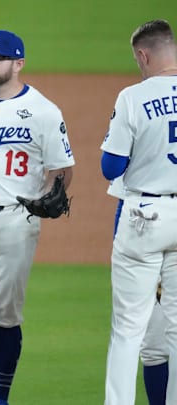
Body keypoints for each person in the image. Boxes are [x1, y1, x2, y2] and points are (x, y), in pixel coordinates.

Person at [0, 30, 75, 405]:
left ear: (18, 64)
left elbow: (62, 168)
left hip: (15, 223)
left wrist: (55, 194)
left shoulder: (44, 110)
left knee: (5, 314)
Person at [100, 19, 177, 405]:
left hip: (146, 217)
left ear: (144, 55)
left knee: (129, 328)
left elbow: (110, 167)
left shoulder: (134, 95)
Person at [107, 177, 169, 405]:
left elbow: (109, 166)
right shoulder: (142, 149)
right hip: (143, 242)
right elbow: (124, 202)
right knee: (153, 348)